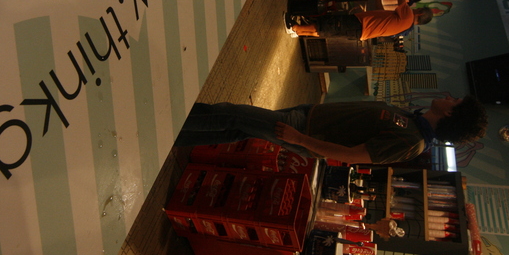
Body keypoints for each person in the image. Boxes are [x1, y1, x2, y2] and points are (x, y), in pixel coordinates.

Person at [174, 96, 488, 164]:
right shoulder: (413, 121)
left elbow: (351, 155)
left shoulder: (411, 142)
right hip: (307, 116)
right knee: (238, 128)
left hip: (303, 130)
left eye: (455, 101)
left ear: (450, 113)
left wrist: (300, 139)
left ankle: (173, 122)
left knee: (231, 114)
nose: (449, 97)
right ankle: (176, 137)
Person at [286, 0, 432, 39]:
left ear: (420, 13)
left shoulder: (408, 16)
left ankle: (294, 27)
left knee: (330, 25)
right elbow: (381, 12)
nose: (415, 9)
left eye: (418, 9)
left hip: (361, 24)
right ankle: (298, 32)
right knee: (330, 31)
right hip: (362, 32)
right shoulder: (405, 27)